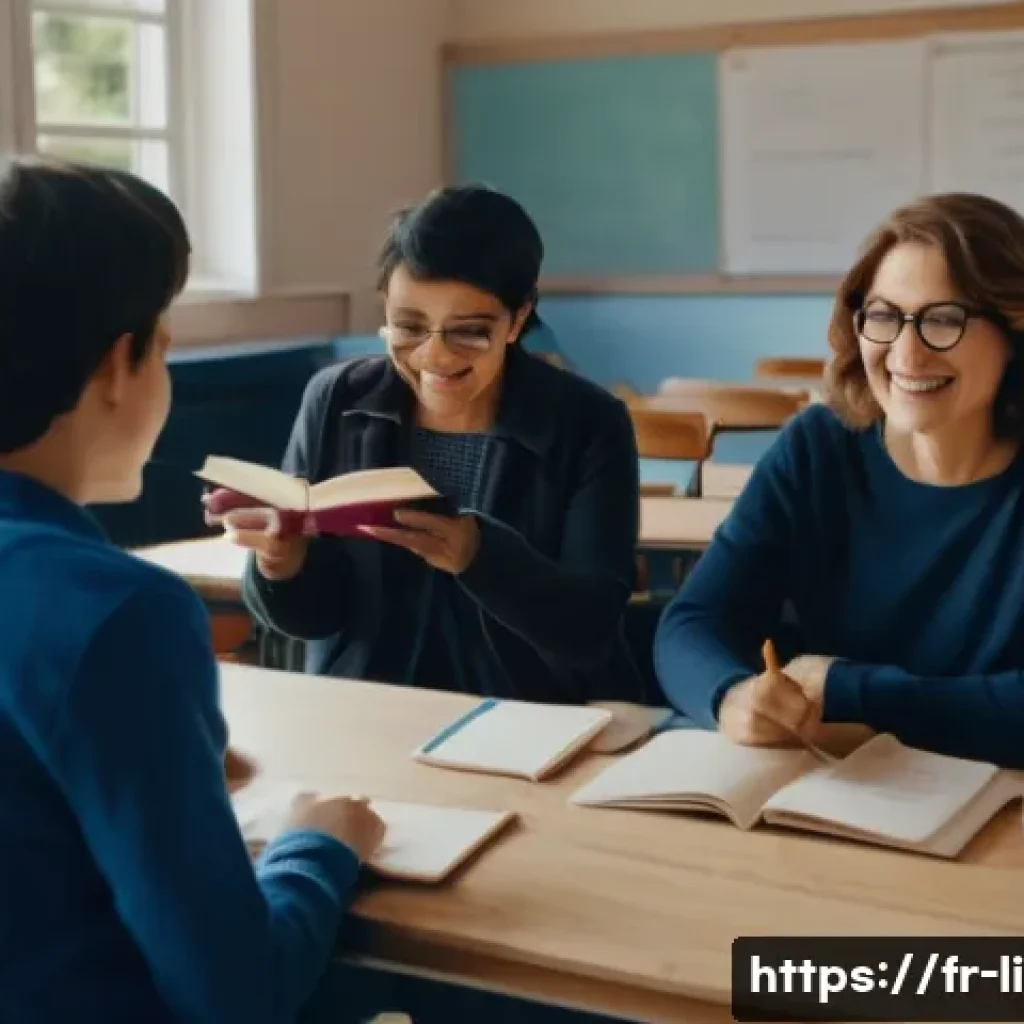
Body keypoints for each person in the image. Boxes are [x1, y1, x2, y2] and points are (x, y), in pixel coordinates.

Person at [0, 157, 385, 1023]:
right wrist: (317, 845)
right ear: (116, 364)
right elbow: (237, 995)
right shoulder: (121, 612)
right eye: (165, 343)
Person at [227, 184, 643, 704]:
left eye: (469, 332)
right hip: (371, 707)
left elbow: (591, 628)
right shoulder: (335, 400)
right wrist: (282, 564)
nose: (435, 356)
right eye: (408, 326)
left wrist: (478, 555)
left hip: (534, 717)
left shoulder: (588, 422)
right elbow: (315, 620)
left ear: (519, 318)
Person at [655, 192, 1024, 770]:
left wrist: (852, 691)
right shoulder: (819, 446)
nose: (905, 352)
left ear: (1015, 333)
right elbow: (693, 621)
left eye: (944, 319)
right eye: (883, 315)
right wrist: (730, 696)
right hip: (832, 793)